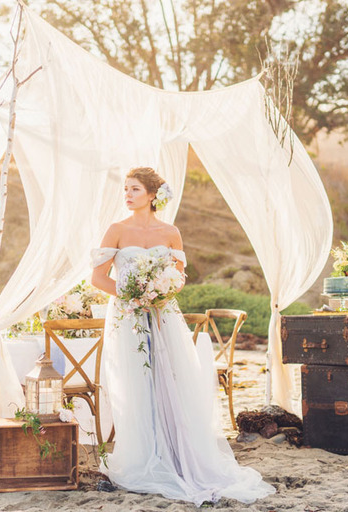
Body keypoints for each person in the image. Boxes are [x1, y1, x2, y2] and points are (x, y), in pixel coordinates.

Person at [91, 167, 274, 506]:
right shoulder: (116, 230)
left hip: (164, 316)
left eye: (133, 189)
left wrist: (159, 292)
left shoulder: (171, 232)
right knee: (137, 383)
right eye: (126, 190)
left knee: (172, 380)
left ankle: (178, 455)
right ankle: (145, 455)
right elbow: (98, 278)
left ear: (151, 195)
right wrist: (132, 294)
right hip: (129, 316)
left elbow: (178, 278)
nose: (127, 195)